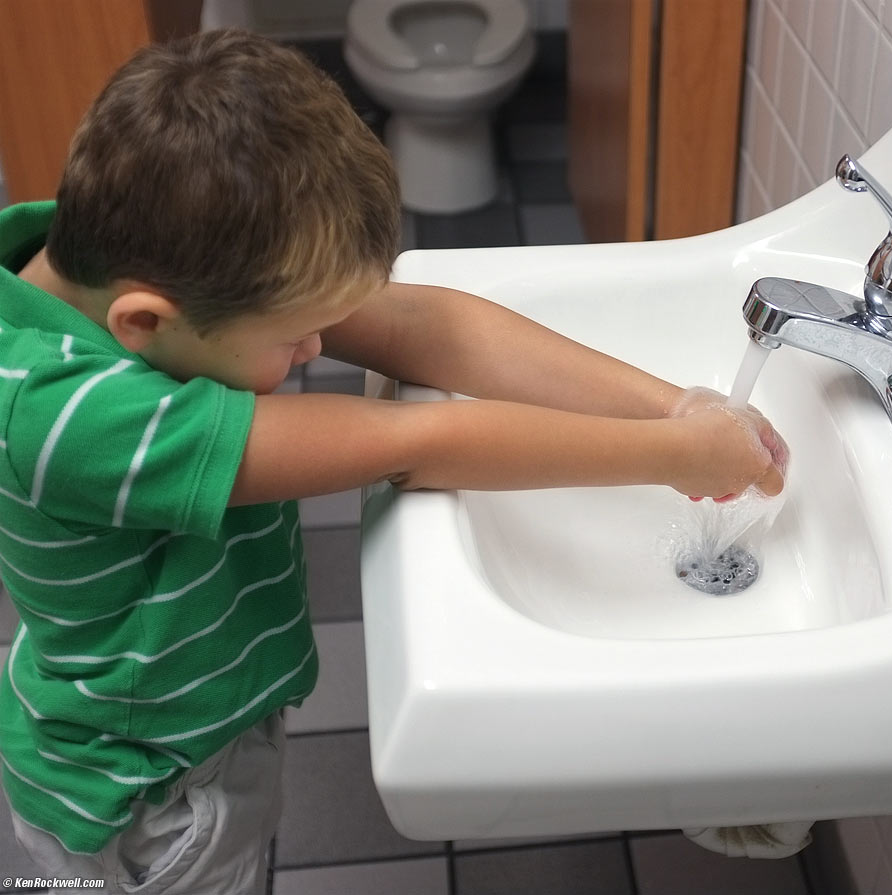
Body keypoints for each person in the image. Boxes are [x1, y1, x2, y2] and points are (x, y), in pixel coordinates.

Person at [0, 29, 787, 895]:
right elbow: (421, 444)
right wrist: (669, 453)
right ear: (144, 324)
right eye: (292, 339)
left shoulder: (123, 250)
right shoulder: (69, 421)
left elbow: (431, 328)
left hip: (177, 729)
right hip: (149, 802)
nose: (315, 348)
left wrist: (674, 404)